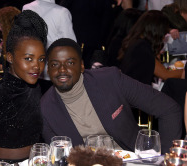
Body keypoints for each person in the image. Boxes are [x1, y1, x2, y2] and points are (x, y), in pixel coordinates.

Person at [41, 38, 182, 154]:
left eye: (70, 62)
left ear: (82, 66)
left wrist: (165, 158)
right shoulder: (46, 108)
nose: (62, 70)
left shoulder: (110, 80)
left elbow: (168, 109)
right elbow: (59, 157)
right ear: (48, 69)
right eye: (54, 64)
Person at [0, 10, 48, 165]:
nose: (36, 66)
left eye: (41, 59)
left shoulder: (42, 91)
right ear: (10, 57)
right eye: (28, 59)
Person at [119, 10, 184, 86]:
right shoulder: (142, 47)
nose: (163, 37)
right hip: (136, 93)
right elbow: (166, 75)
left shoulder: (136, 42)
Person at [22, 0, 77, 81]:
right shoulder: (62, 12)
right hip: (53, 71)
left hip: (31, 69)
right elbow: (71, 46)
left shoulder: (27, 8)